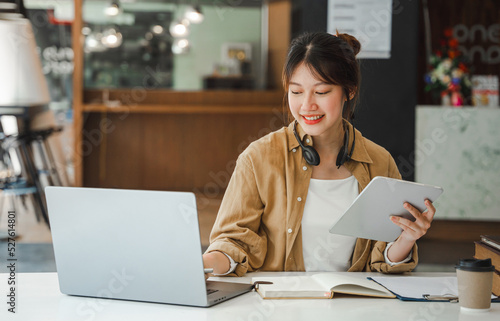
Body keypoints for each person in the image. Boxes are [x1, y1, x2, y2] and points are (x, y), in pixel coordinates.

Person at [203, 31, 435, 276]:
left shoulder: (379, 162)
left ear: (350, 90)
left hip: (353, 307)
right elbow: (233, 243)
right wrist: (202, 264)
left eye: (321, 92)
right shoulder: (258, 158)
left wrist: (408, 239)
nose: (306, 105)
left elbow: (382, 257)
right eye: (296, 91)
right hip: (280, 308)